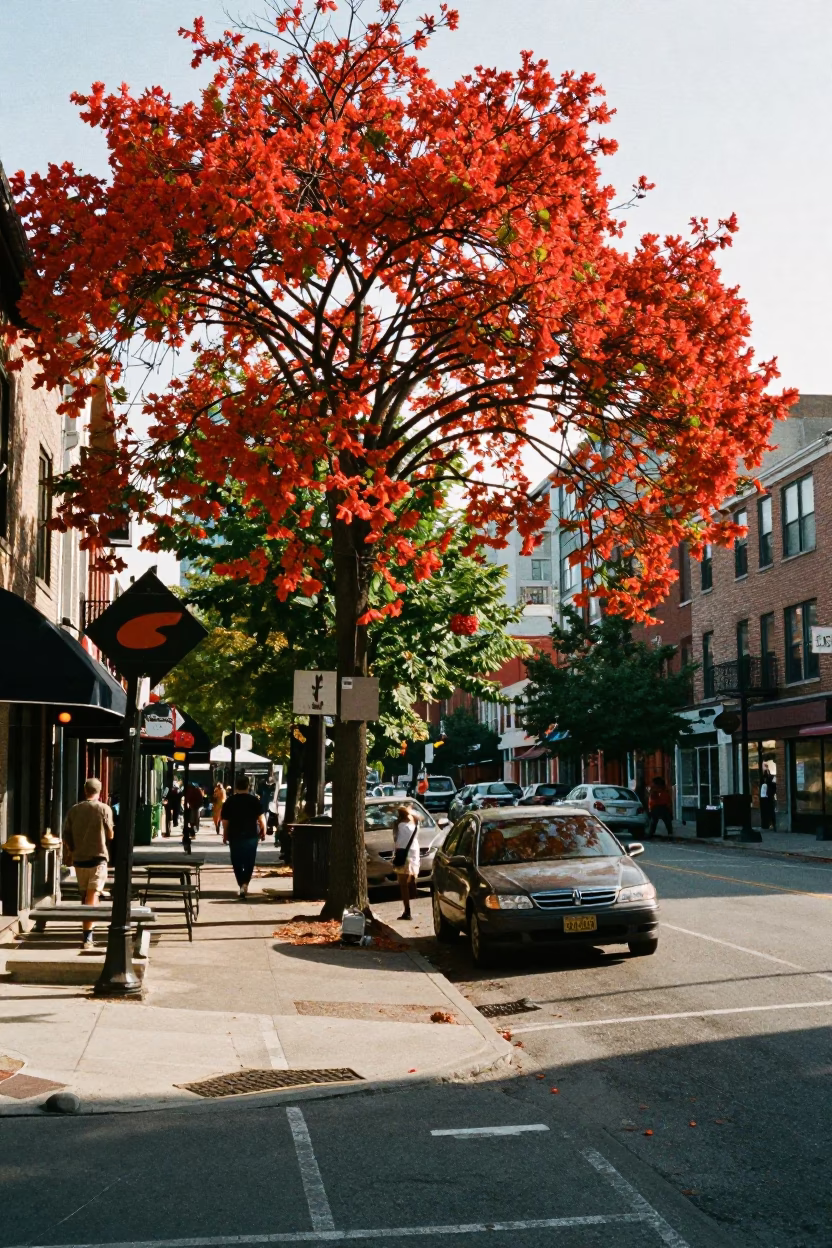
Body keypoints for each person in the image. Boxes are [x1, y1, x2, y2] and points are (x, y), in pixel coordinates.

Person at [61, 778, 115, 949]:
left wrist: (72, 851)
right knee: (92, 896)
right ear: (99, 791)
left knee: (87, 896)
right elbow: (110, 835)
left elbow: (67, 836)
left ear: (85, 791)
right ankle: (87, 937)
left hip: (79, 860)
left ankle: (90, 928)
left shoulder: (74, 810)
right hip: (98, 858)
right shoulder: (103, 808)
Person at [221, 774, 267, 898]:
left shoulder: (230, 801)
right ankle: (245, 883)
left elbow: (225, 821)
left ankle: (241, 882)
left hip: (235, 834)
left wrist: (225, 834)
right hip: (251, 834)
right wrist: (263, 830)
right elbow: (261, 818)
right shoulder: (254, 800)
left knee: (236, 860)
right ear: (248, 786)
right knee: (249, 860)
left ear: (236, 787)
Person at [393, 803, 422, 920]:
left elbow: (396, 841)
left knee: (402, 883)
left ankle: (407, 910)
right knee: (409, 877)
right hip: (414, 853)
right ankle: (413, 882)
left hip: (403, 854)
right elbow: (419, 817)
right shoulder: (415, 824)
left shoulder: (399, 826)